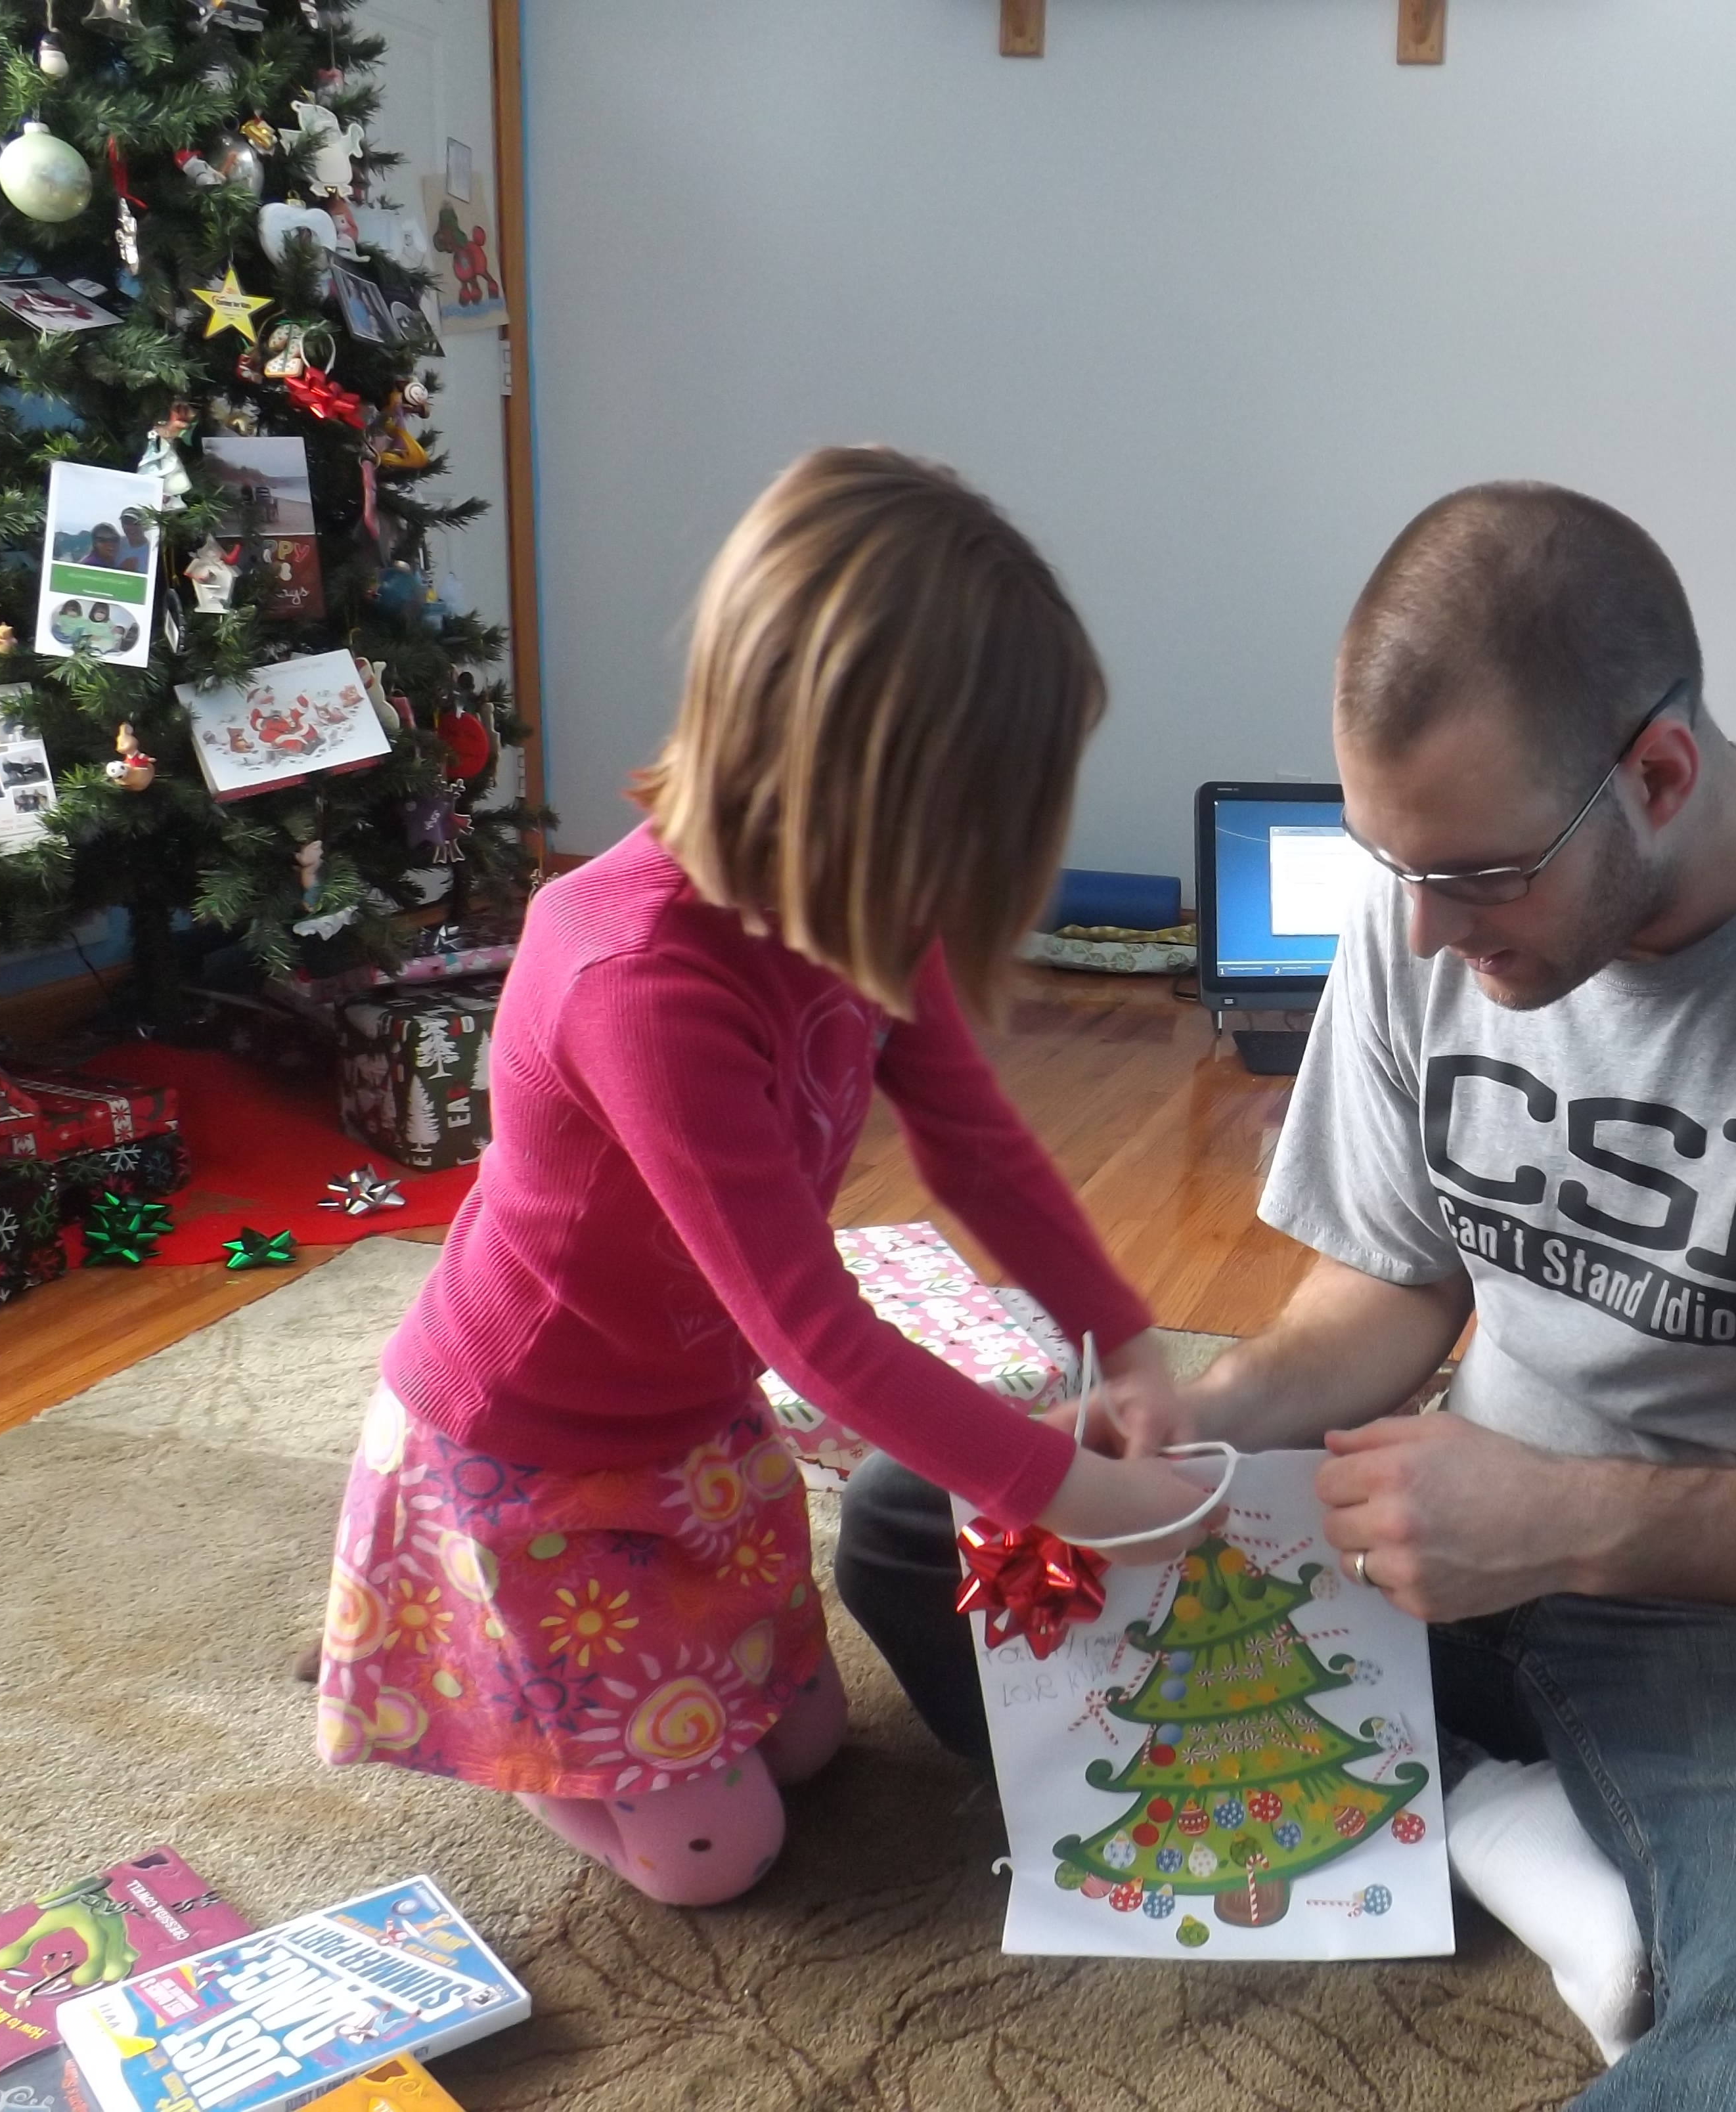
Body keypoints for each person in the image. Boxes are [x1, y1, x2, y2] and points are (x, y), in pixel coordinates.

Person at [837, 482, 1736, 2107]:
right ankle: (1476, 1811)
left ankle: (1460, 1798)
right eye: (1386, 863)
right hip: (1437, 1528)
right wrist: (1204, 1417)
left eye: (1479, 876)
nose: (1423, 929)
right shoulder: (1427, 901)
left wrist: (1565, 1520)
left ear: (1656, 775)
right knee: (925, 1516)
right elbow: (1388, 1286)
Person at [311, 447, 1214, 1909]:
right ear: (843, 778)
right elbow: (817, 1337)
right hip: (529, 1448)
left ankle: (591, 1716)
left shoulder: (869, 899)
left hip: (689, 1416)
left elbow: (977, 1146)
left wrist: (1129, 1339)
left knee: (806, 1749)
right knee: (716, 1859)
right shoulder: (636, 975)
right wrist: (1065, 1492)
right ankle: (495, 1711)